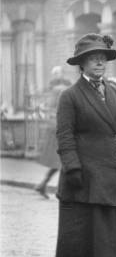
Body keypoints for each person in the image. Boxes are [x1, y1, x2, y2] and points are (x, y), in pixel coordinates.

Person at [55, 34, 116, 257]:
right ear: (82, 64)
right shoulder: (70, 96)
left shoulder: (114, 92)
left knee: (109, 224)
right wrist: (73, 166)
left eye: (103, 58)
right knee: (87, 225)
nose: (100, 62)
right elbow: (65, 134)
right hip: (86, 171)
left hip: (112, 169)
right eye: (93, 58)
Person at [34, 66, 71, 198]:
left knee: (60, 160)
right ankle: (54, 188)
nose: (56, 75)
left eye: (58, 73)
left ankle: (43, 184)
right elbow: (52, 108)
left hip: (58, 126)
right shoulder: (59, 90)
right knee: (62, 159)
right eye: (54, 73)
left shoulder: (60, 88)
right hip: (60, 127)